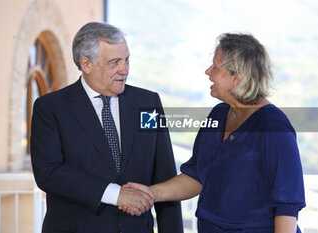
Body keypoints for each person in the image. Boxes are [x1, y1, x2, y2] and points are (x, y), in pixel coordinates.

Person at [124, 33, 306, 233]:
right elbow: (197, 176)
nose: (208, 72)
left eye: (216, 67)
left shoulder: (273, 127)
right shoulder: (219, 115)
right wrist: (150, 193)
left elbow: (287, 207)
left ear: (236, 77)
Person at [30, 22, 183, 233]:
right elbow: (49, 172)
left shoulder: (148, 103)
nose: (125, 70)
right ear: (86, 64)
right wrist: (114, 194)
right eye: (115, 62)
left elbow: (165, 176)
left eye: (127, 60)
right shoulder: (51, 108)